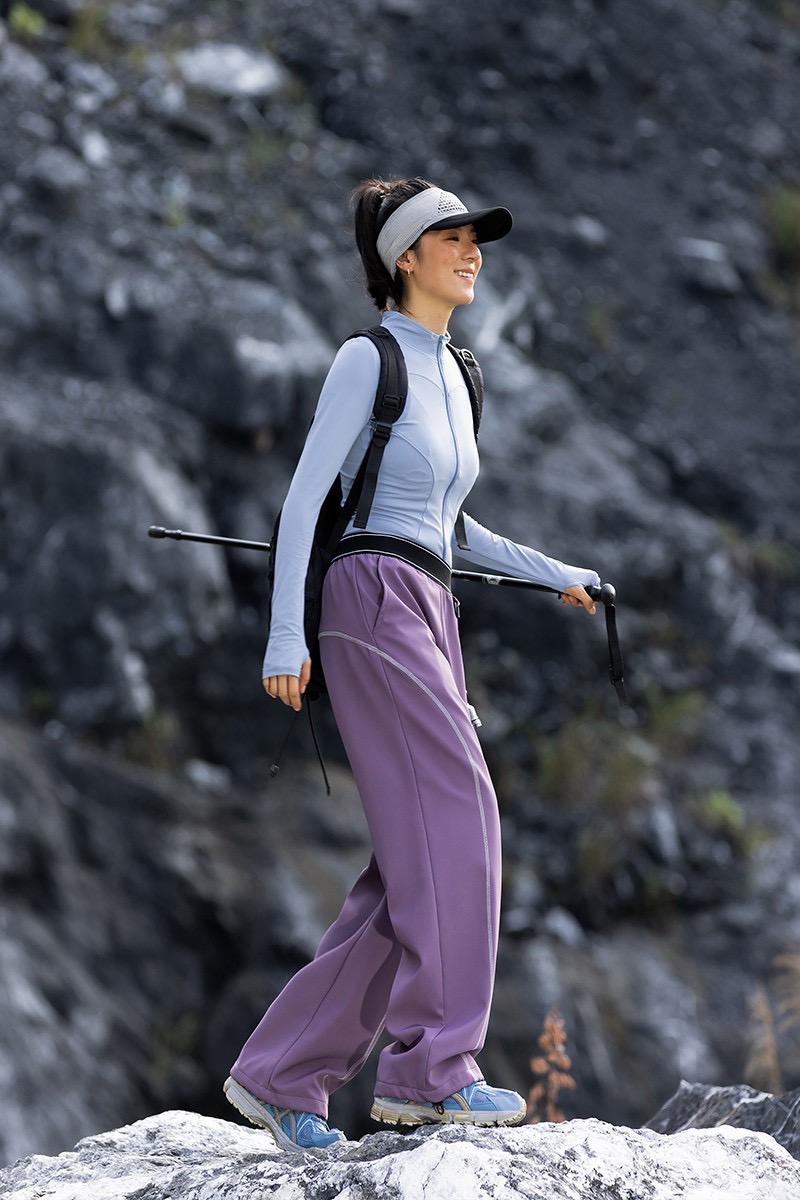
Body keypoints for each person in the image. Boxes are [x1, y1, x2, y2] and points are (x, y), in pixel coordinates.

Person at [223, 177, 600, 1152]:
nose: (472, 251)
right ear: (403, 257)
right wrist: (285, 636)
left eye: (477, 238)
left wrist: (554, 572)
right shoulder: (369, 359)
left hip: (430, 604)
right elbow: (305, 501)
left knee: (413, 860)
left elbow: (452, 526)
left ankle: (282, 1075)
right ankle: (431, 1070)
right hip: (372, 600)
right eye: (451, 237)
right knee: (461, 813)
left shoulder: (457, 373)